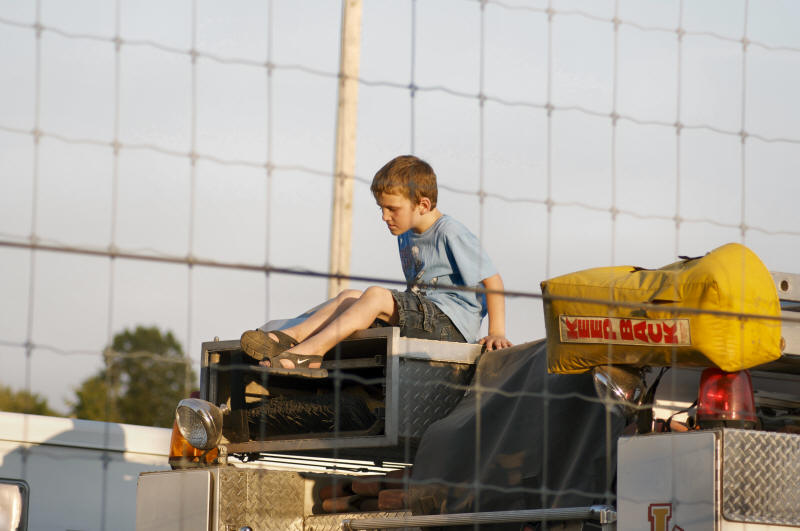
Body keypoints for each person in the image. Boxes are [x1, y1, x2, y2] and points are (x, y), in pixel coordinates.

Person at [240, 155, 512, 372]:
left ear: (422, 204)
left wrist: (496, 331)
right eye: (381, 208)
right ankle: (289, 337)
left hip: (450, 325)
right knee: (349, 296)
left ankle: (310, 354)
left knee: (375, 296)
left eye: (392, 209)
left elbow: (493, 280)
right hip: (424, 315)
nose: (384, 216)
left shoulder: (450, 232)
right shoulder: (406, 233)